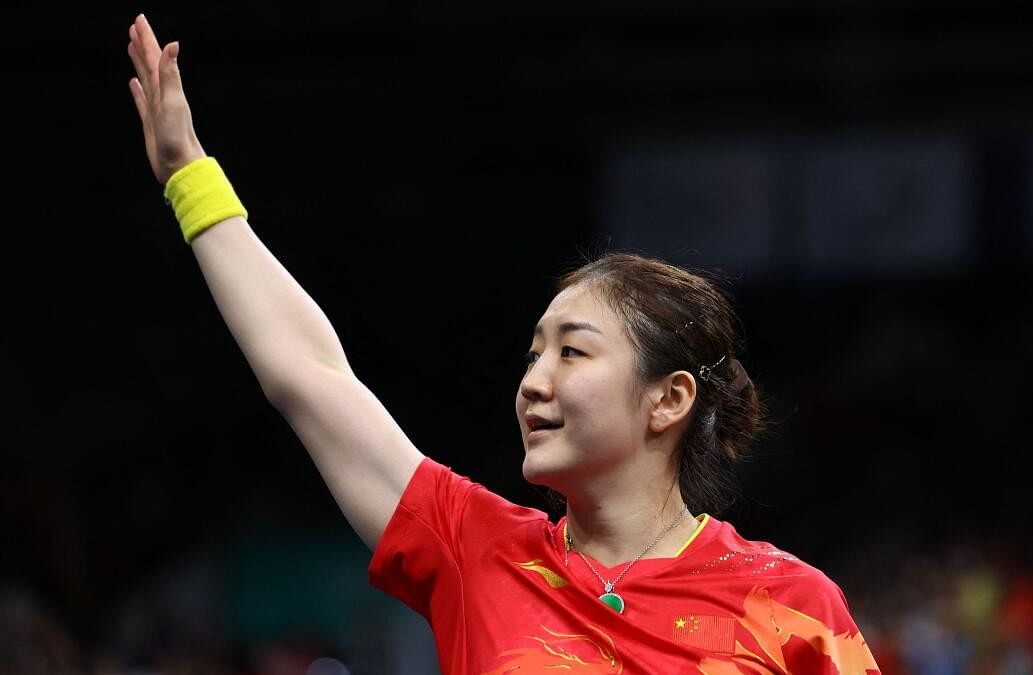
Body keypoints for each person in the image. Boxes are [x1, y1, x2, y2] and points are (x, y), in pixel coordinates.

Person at [126, 13, 881, 674]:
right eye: (531, 356)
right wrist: (190, 179)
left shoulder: (794, 606)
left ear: (669, 398)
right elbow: (311, 374)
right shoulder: (475, 550)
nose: (533, 382)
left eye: (572, 352)